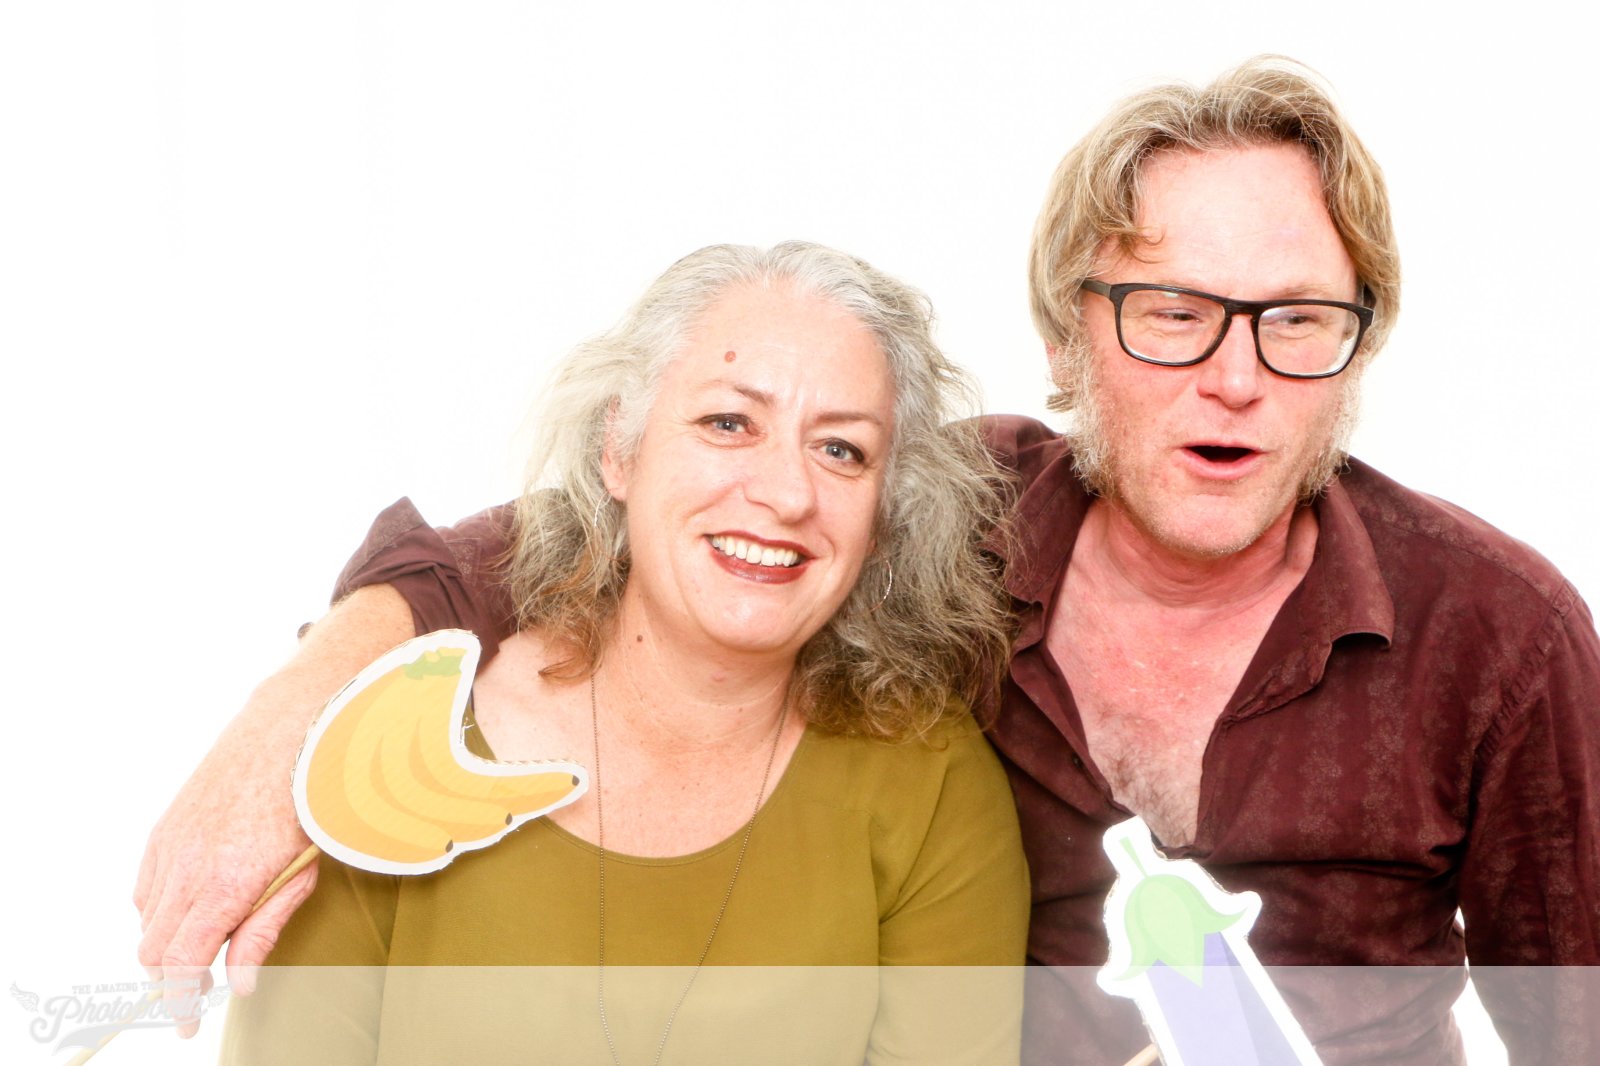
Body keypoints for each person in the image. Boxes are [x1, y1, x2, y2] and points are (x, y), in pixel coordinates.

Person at [138, 58, 1600, 1064]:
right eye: (1171, 312)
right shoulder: (944, 513)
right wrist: (313, 691)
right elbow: (646, 527)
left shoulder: (1500, 636)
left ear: (1357, 350)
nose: (1235, 375)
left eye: (1296, 320)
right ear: (1069, 334)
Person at [205, 241, 1031, 1063]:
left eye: (841, 449)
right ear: (619, 451)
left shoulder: (931, 785)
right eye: (728, 423)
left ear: (883, 512)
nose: (787, 493)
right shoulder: (399, 747)